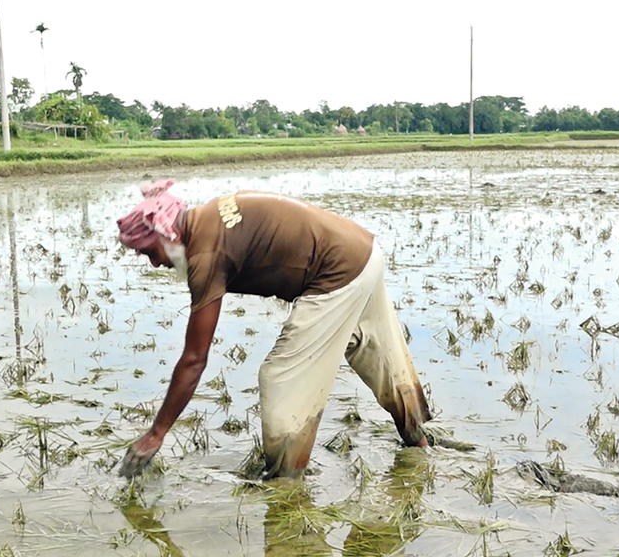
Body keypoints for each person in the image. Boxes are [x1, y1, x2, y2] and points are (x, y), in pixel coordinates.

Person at [116, 179, 433, 479]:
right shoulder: (209, 214)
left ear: (165, 236)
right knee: (374, 349)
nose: (155, 264)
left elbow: (194, 359)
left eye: (149, 253)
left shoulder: (205, 253)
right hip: (362, 250)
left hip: (337, 269)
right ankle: (419, 442)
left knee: (280, 377)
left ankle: (285, 482)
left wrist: (156, 433)